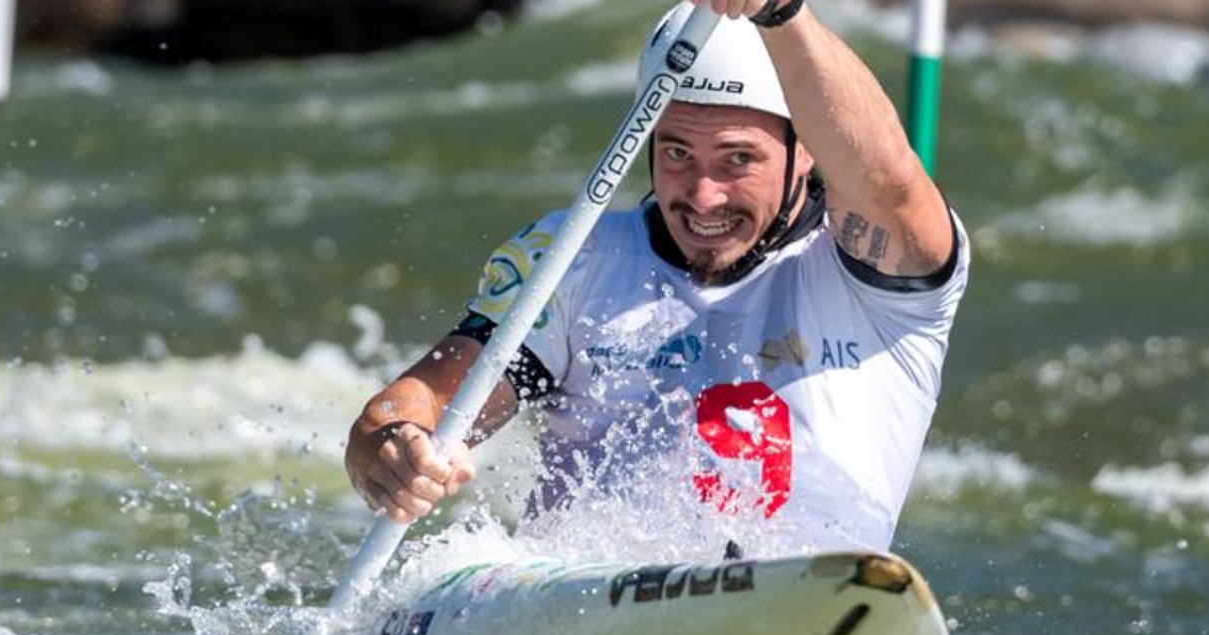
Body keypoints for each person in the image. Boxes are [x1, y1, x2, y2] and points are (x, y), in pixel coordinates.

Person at [345, 0, 970, 555]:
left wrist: (782, 11)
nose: (702, 196)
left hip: (807, 624)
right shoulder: (575, 258)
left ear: (806, 150)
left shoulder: (880, 276)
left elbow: (888, 179)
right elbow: (407, 407)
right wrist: (398, 445)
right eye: (676, 153)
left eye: (738, 159)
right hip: (579, 626)